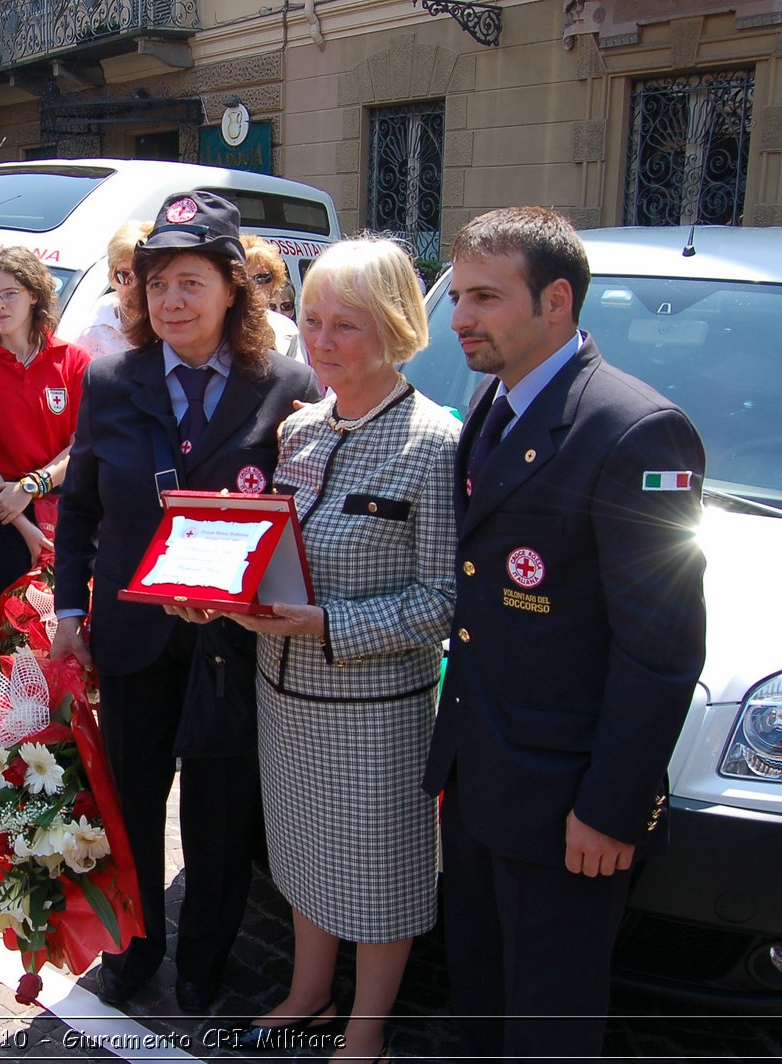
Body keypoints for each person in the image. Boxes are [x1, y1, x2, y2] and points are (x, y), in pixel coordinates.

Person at [421, 206, 707, 1060]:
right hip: (479, 777)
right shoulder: (493, 401)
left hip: (566, 802)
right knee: (478, 992)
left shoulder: (635, 430)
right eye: (459, 294)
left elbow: (660, 649)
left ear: (555, 301)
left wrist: (610, 808)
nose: (461, 317)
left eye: (484, 297)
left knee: (548, 1019)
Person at [51, 190, 320, 1014]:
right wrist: (68, 614)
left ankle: (205, 957)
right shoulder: (110, 380)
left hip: (235, 643)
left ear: (233, 288)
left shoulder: (286, 384)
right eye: (156, 283)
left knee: (220, 810)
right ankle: (135, 949)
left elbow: (305, 513)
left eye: (191, 282)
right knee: (132, 800)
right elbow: (83, 509)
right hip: (132, 636)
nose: (170, 300)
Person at [213, 238, 459, 1060]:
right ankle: (308, 994)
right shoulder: (302, 431)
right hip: (282, 697)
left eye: (344, 325)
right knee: (304, 857)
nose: (318, 342)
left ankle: (366, 1030)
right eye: (311, 320)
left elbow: (444, 602)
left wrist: (328, 627)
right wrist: (225, 594)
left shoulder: (435, 443)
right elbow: (279, 551)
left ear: (393, 327)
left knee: (380, 878)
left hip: (374, 714)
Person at [0, 245, 91, 634]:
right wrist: (22, 523)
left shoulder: (73, 360)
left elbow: (84, 444)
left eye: (9, 293)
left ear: (34, 294)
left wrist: (34, 485)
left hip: (61, 513)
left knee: (60, 641)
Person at [73, 220, 152, 359]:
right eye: (125, 275)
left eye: (144, 275)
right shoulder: (94, 333)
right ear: (112, 276)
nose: (135, 285)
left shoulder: (176, 323)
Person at [242, 234, 304, 361]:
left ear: (274, 282)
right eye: (245, 279)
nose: (254, 286)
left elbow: (298, 378)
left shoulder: (288, 329)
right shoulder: (216, 327)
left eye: (262, 278)